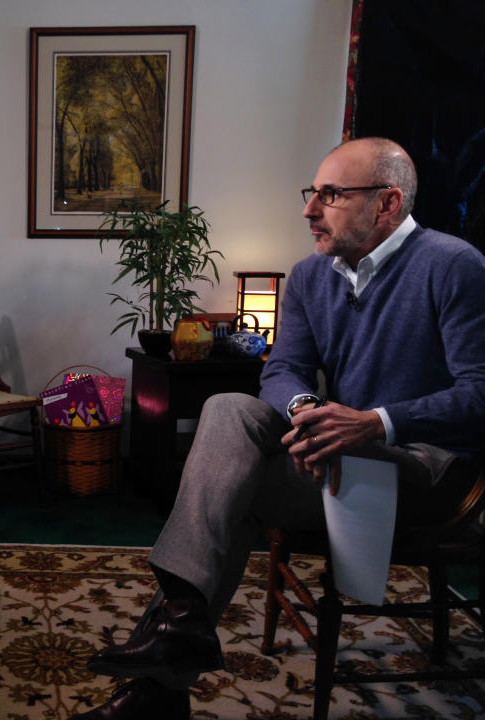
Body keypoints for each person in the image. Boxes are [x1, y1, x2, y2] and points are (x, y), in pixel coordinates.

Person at [73, 137, 485, 719]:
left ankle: (158, 681)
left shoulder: (454, 266)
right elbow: (285, 368)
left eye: (331, 194)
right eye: (311, 193)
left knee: (231, 484)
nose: (309, 210)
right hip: (341, 458)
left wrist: (376, 422)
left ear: (387, 203)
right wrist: (306, 412)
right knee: (226, 409)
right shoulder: (312, 277)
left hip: (427, 470)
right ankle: (180, 631)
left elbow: (480, 392)